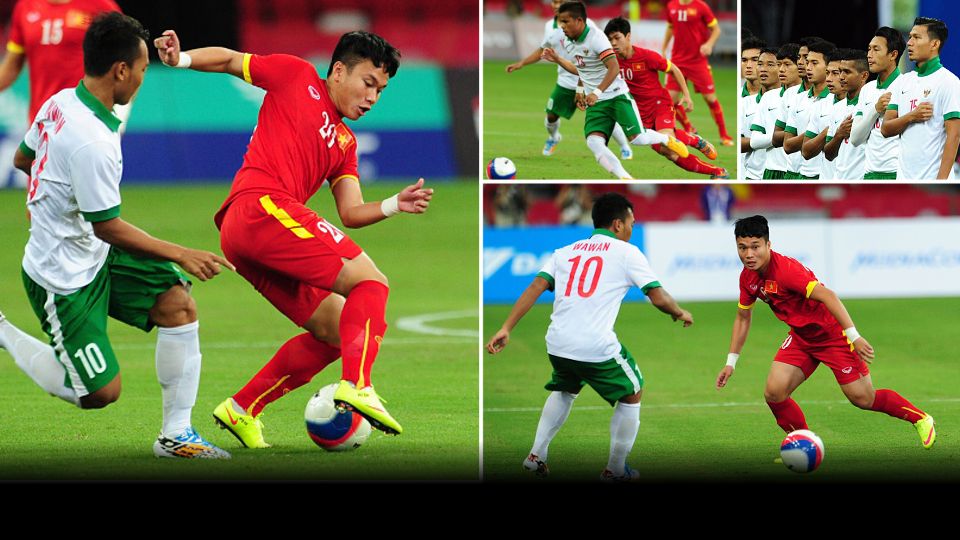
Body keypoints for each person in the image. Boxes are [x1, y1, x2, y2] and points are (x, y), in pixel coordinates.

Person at [153, 28, 432, 446]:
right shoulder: (295, 74)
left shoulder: (345, 142)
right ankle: (357, 385)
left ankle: (242, 408)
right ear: (339, 71)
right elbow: (230, 59)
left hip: (251, 235)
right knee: (370, 281)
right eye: (368, 83)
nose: (373, 96)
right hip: (259, 206)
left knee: (338, 331)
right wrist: (181, 60)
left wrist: (393, 204)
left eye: (381, 89)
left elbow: (351, 213)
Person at [0, 12, 232, 459]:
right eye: (143, 69)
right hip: (63, 277)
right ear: (120, 70)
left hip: (95, 252)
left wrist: (52, 199)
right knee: (99, 394)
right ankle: (4, 331)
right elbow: (106, 224)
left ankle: (177, 435)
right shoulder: (92, 141)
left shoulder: (59, 101)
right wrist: (181, 252)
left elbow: (22, 160)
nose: (145, 78)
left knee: (178, 305)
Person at [486, 193, 694, 482]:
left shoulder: (565, 251)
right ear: (618, 224)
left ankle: (536, 456)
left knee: (565, 389)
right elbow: (657, 297)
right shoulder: (627, 252)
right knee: (633, 390)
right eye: (632, 222)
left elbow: (536, 285)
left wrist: (506, 327)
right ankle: (615, 470)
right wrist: (679, 312)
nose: (633, 228)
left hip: (557, 342)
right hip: (593, 344)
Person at [716, 215, 936, 450]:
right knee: (774, 392)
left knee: (863, 398)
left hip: (833, 336)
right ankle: (805, 445)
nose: (748, 255)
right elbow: (743, 317)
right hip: (802, 337)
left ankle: (921, 419)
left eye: (755, 247)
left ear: (768, 245)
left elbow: (828, 296)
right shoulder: (747, 277)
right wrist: (731, 362)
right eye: (742, 248)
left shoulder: (788, 272)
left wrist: (854, 336)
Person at [540, 1, 689, 180]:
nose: (561, 26)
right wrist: (559, 60)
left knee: (638, 139)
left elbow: (614, 67)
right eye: (560, 21)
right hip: (596, 102)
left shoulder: (597, 38)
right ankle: (624, 176)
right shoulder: (569, 42)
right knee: (594, 142)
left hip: (617, 95)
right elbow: (582, 69)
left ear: (579, 20)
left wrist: (596, 92)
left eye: (565, 21)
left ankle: (667, 139)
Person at [505, 0, 633, 158]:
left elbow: (596, 57)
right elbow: (542, 49)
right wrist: (522, 63)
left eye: (560, 1)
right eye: (554, 2)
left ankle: (624, 147)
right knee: (551, 115)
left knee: (604, 115)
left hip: (590, 82)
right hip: (565, 81)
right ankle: (553, 137)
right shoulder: (549, 28)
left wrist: (582, 87)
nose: (556, 4)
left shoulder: (589, 27)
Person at [604, 16, 728, 179]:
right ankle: (717, 171)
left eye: (617, 38)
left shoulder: (646, 56)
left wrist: (686, 94)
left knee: (669, 139)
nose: (613, 43)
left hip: (660, 104)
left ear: (628, 36)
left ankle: (694, 141)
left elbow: (674, 69)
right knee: (670, 153)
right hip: (640, 114)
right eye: (610, 39)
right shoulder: (611, 61)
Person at [1, 0, 121, 124]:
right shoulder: (25, 7)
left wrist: (120, 114)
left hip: (86, 119)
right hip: (42, 121)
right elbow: (12, 66)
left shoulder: (100, 6)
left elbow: (129, 59)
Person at [881, 16, 960, 179]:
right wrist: (911, 116)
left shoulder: (949, 81)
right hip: (903, 182)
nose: (909, 42)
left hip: (934, 182)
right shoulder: (902, 81)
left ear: (934, 44)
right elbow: (886, 129)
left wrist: (941, 182)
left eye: (916, 37)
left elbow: (955, 136)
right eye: (910, 37)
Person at [662, 0, 732, 145]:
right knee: (671, 99)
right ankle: (689, 127)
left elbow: (716, 30)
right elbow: (670, 27)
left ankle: (724, 135)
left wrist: (709, 44)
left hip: (697, 61)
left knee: (710, 98)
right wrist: (663, 48)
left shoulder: (701, 6)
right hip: (677, 60)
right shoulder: (672, 6)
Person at [849, 27, 906, 179]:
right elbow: (855, 139)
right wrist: (875, 109)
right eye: (869, 49)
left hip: (897, 173)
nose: (869, 55)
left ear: (893, 54)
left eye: (876, 49)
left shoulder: (907, 86)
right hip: (869, 174)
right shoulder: (867, 89)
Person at [824, 48, 869, 180]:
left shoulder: (871, 106)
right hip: (839, 180)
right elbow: (829, 155)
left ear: (864, 76)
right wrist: (839, 135)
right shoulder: (836, 108)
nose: (841, 77)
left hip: (863, 182)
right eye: (841, 71)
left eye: (847, 72)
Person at [744, 47, 781, 178]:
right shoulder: (745, 102)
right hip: (752, 175)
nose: (763, 69)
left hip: (779, 173)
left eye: (770, 65)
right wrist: (782, 138)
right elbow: (740, 142)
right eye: (760, 64)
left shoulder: (789, 101)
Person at [738, 36, 764, 180]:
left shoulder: (779, 97)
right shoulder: (737, 97)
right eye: (744, 60)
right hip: (744, 175)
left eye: (755, 60)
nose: (748, 65)